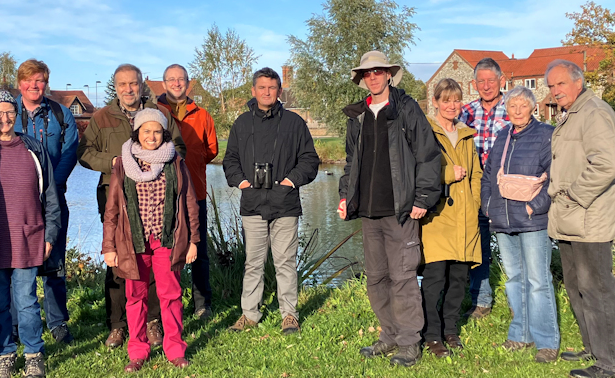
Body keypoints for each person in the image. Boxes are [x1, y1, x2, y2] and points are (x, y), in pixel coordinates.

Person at [337, 51, 441, 367]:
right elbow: (351, 162)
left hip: (401, 210)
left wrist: (423, 198)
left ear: (388, 74)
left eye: (379, 71)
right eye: (368, 73)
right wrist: (345, 196)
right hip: (368, 212)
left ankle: (410, 343)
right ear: (362, 79)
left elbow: (428, 156)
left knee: (404, 277)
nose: (374, 76)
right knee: (376, 278)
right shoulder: (358, 117)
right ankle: (390, 336)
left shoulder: (406, 109)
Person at [78, 63, 187, 348]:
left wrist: (161, 161)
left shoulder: (159, 114)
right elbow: (84, 153)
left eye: (133, 84)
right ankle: (117, 324)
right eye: (122, 84)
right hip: (115, 195)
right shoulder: (102, 117)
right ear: (116, 87)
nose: (128, 89)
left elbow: (179, 148)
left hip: (157, 198)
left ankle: (152, 322)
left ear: (141, 85)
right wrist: (114, 163)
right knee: (119, 260)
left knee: (153, 260)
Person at [0, 59, 80, 345]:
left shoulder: (61, 114)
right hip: (16, 201)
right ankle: (16, 324)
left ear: (46, 83)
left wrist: (51, 184)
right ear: (20, 84)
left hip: (52, 196)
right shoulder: (6, 112)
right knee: (15, 262)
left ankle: (57, 322)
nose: (34, 86)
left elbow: (71, 150)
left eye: (39, 80)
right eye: (28, 81)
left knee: (54, 263)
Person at [545, 59, 615, 378]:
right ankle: (594, 349)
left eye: (560, 84)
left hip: (588, 217)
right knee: (577, 286)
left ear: (578, 82)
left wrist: (574, 194)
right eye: (551, 86)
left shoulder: (594, 112)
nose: (555, 91)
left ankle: (611, 364)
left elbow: (606, 164)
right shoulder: (572, 114)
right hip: (569, 218)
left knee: (597, 289)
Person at [224, 67, 320, 336]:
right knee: (253, 263)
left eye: (272, 88)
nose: (267, 92)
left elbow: (310, 160)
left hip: (285, 203)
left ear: (279, 91)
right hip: (252, 204)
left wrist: (290, 182)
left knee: (285, 262)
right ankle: (249, 314)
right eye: (262, 87)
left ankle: (289, 314)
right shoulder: (242, 124)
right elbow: (230, 159)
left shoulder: (294, 123)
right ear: (253, 91)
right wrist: (242, 183)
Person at [102, 109, 200, 372]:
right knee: (135, 297)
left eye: (157, 131)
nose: (152, 136)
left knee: (171, 296)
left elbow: (189, 202)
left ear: (164, 133)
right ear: (137, 133)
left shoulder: (175, 162)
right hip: (133, 242)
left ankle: (175, 350)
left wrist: (194, 240)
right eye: (146, 131)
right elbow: (112, 208)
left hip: (166, 240)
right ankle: (137, 351)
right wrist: (108, 247)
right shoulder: (124, 164)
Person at [0, 89, 62, 378]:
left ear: (17, 115)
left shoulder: (33, 148)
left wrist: (50, 235)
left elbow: (50, 195)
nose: (5, 118)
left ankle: (33, 355)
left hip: (29, 237)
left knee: (26, 300)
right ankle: (5, 355)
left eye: (10, 112)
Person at [481, 86, 560, 363]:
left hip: (531, 219)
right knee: (515, 279)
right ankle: (520, 335)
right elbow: (489, 174)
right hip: (502, 219)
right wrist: (488, 207)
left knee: (538, 280)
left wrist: (534, 206)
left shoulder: (545, 136)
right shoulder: (502, 137)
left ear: (533, 108)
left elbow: (554, 176)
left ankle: (546, 341)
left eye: (522, 106)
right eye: (512, 106)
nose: (516, 111)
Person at [420, 78, 481, 359]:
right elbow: (417, 170)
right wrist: (447, 175)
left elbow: (476, 174)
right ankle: (431, 335)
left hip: (465, 217)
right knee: (434, 279)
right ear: (435, 102)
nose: (452, 106)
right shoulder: (426, 132)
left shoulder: (467, 134)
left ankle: (451, 330)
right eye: (446, 100)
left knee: (459, 278)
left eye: (456, 100)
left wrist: (475, 202)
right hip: (438, 216)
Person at [155, 64, 218, 319]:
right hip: (161, 194)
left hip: (195, 192)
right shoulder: (154, 112)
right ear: (164, 84)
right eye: (171, 79)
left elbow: (211, 150)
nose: (177, 83)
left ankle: (202, 304)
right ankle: (166, 307)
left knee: (199, 250)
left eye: (181, 79)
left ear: (188, 83)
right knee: (163, 252)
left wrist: (193, 164)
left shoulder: (202, 114)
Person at [459, 58, 511, 319]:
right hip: (475, 189)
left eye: (492, 80)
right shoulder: (465, 113)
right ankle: (481, 300)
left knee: (512, 244)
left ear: (502, 81)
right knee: (478, 247)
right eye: (481, 81)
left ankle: (517, 301)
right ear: (474, 83)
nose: (487, 86)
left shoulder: (514, 108)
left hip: (507, 189)